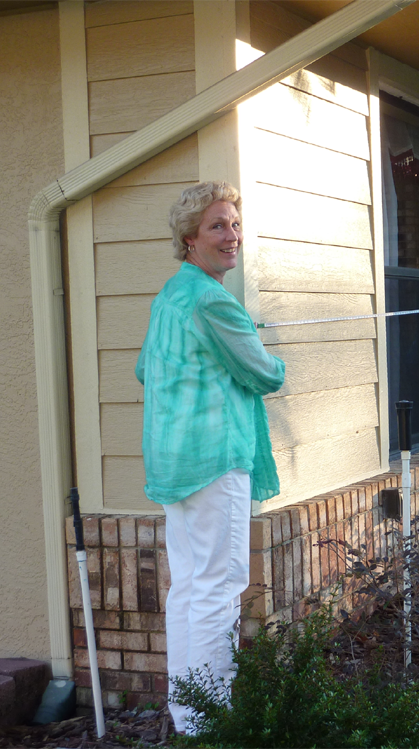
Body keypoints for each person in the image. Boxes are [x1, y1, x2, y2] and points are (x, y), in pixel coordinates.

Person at [135, 181, 285, 734]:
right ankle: (210, 721)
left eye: (236, 224)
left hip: (176, 462)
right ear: (190, 239)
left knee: (193, 585)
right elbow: (265, 373)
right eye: (218, 226)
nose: (232, 236)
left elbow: (146, 370)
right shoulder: (210, 298)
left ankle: (188, 715)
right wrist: (252, 346)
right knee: (219, 586)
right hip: (215, 459)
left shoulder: (172, 295)